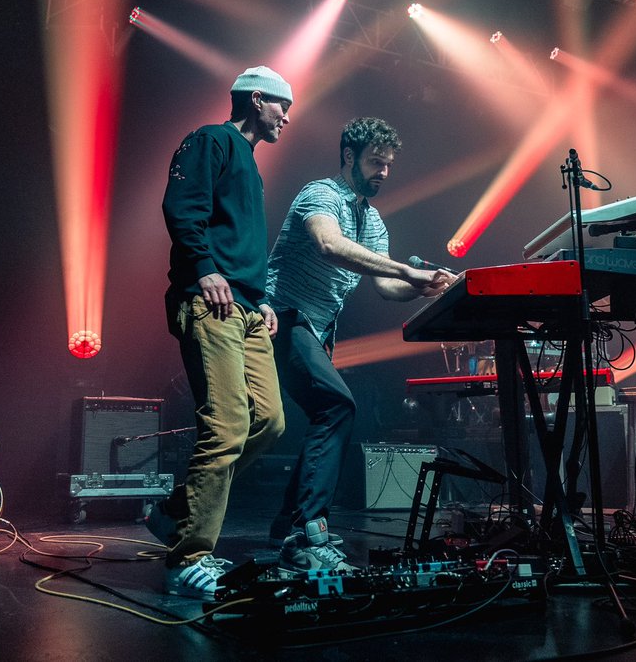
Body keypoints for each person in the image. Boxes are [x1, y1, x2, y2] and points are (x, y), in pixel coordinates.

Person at [264, 116, 454, 574]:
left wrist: (424, 287)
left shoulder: (369, 218)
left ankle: (287, 529)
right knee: (336, 407)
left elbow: (387, 287)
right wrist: (408, 271)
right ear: (349, 157)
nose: (383, 173)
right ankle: (308, 531)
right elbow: (328, 246)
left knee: (323, 413)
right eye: (375, 162)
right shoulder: (321, 195)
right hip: (279, 319)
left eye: (388, 165)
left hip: (314, 330)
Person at [151, 66, 293, 600]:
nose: (287, 117)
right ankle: (189, 556)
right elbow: (181, 209)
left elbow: (243, 243)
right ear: (257, 99)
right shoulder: (210, 140)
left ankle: (174, 511)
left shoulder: (251, 166)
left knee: (272, 423)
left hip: (248, 308)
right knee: (228, 423)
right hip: (210, 300)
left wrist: (263, 302)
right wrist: (205, 268)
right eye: (282, 104)